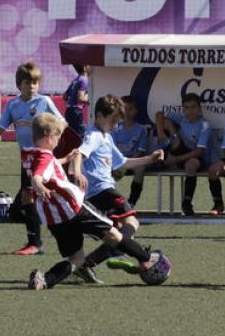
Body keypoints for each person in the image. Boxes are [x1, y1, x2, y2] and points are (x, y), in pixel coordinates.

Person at [25, 112, 170, 290]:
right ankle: (147, 260)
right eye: (57, 137)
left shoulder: (31, 154)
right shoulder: (45, 157)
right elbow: (38, 176)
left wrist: (65, 159)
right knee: (114, 234)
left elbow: (46, 166)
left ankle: (45, 280)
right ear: (48, 138)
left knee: (76, 259)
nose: (59, 140)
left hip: (55, 218)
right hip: (74, 207)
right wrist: (40, 186)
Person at [68, 94, 164, 281]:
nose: (114, 126)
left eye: (117, 122)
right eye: (112, 121)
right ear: (99, 115)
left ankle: (88, 264)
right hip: (102, 191)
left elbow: (122, 163)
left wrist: (150, 159)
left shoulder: (106, 137)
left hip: (101, 192)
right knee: (132, 223)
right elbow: (79, 153)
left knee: (117, 233)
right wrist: (78, 173)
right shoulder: (94, 135)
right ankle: (142, 257)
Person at [0, 61, 61, 256]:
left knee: (30, 197)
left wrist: (53, 141)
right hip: (25, 159)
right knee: (25, 203)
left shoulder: (45, 102)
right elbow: (1, 125)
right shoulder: (13, 104)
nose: (32, 86)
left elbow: (61, 123)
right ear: (19, 85)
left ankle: (35, 242)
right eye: (28, 82)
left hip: (41, 158)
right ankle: (34, 234)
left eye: (35, 82)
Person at [153, 92, 210, 216]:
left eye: (193, 107)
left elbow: (199, 151)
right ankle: (161, 161)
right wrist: (161, 132)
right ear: (183, 109)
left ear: (199, 108)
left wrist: (176, 159)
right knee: (167, 123)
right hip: (180, 152)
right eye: (187, 107)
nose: (190, 111)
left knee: (192, 165)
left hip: (195, 157)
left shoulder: (204, 125)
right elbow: (159, 115)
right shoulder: (182, 119)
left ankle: (187, 202)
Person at [112, 95, 151, 206]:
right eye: (124, 109)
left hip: (132, 162)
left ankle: (132, 202)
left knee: (140, 167)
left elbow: (141, 151)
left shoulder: (140, 129)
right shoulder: (115, 128)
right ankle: (109, 202)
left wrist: (130, 162)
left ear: (136, 110)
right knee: (106, 170)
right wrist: (121, 163)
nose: (127, 112)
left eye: (130, 109)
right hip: (118, 162)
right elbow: (112, 149)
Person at [61, 63, 90, 139]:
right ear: (84, 67)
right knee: (79, 136)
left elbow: (64, 96)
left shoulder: (76, 80)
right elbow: (80, 98)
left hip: (69, 110)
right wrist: (92, 99)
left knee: (71, 136)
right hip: (76, 111)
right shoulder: (84, 80)